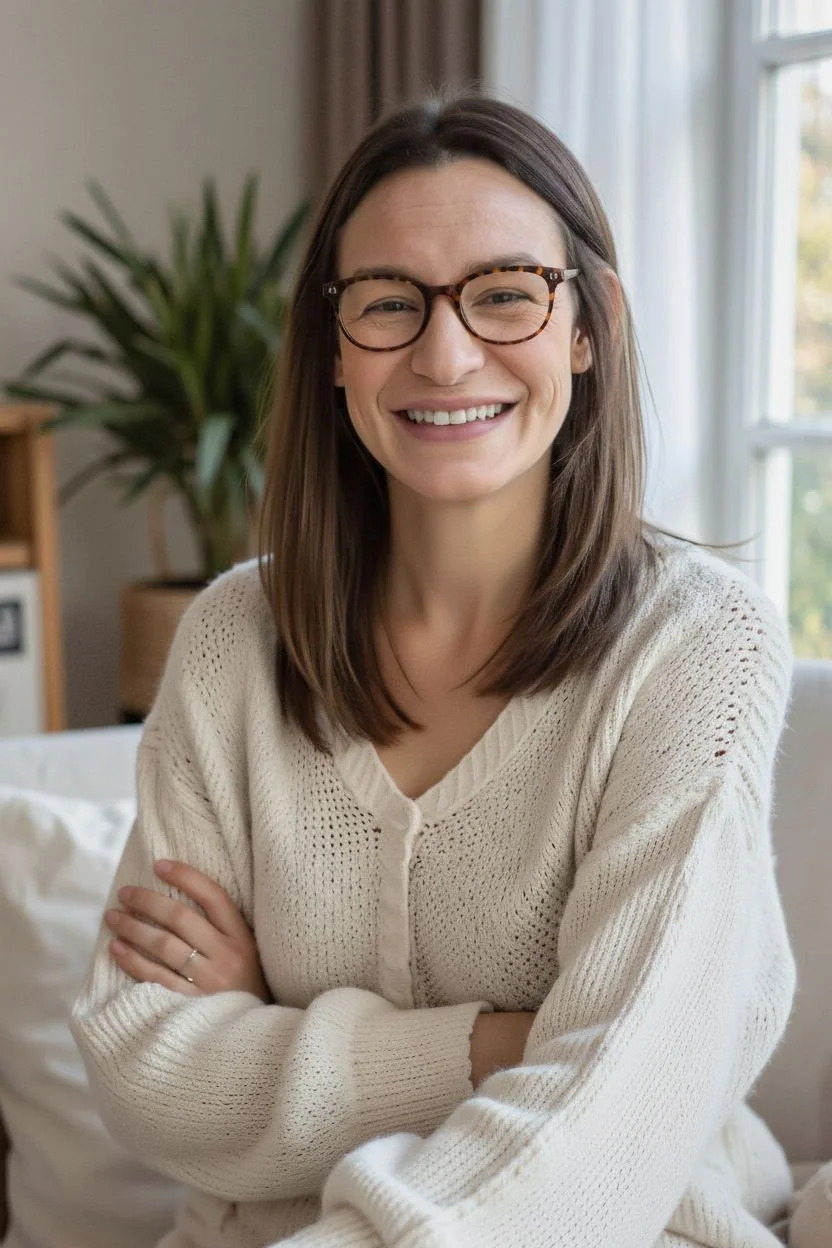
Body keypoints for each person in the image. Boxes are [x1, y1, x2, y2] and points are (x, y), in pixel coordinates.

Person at [71, 91, 801, 1248]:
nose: (445, 351)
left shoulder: (697, 647)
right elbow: (143, 1065)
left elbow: (611, 1118)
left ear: (588, 326)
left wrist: (270, 1029)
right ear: (331, 350)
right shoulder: (230, 640)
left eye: (506, 293)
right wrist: (500, 1043)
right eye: (389, 304)